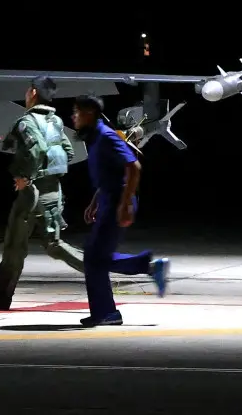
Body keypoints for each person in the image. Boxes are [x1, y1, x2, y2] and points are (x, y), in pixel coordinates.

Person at [0, 75, 86, 311]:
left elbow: (36, 151)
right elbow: (68, 153)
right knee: (55, 245)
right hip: (53, 192)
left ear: (33, 93)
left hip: (31, 193)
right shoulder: (56, 121)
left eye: (29, 90)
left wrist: (24, 177)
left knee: (14, 245)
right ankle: (96, 270)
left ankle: (2, 294)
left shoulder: (26, 122)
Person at [71, 93, 170, 326]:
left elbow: (133, 167)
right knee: (95, 258)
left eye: (77, 112)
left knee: (94, 259)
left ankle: (107, 312)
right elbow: (110, 173)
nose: (73, 117)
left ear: (89, 113)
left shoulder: (106, 136)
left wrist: (124, 204)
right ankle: (147, 268)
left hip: (117, 201)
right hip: (108, 199)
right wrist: (95, 201)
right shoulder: (96, 138)